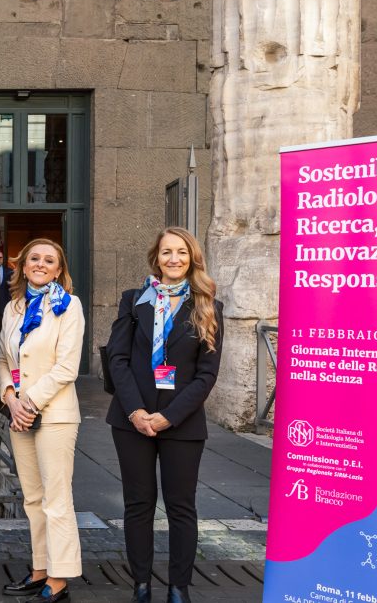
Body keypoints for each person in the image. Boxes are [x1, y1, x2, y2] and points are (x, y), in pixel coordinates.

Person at [106, 227, 224, 603]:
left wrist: (169, 416)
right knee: (138, 504)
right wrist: (137, 411)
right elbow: (118, 359)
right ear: (156, 258)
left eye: (182, 252)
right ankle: (141, 585)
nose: (174, 259)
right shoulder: (134, 300)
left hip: (182, 423)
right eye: (167, 252)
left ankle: (178, 587)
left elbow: (206, 375)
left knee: (181, 507)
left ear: (192, 259)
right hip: (132, 420)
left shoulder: (208, 305)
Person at [0, 239, 84, 603]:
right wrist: (10, 398)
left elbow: (67, 367)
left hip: (55, 415)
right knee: (32, 498)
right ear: (23, 265)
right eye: (34, 258)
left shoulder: (69, 306)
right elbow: (3, 358)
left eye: (49, 260)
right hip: (20, 413)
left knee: (56, 499)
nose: (41, 264)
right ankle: (39, 569)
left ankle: (60, 577)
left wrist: (28, 403)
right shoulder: (13, 307)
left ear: (59, 270)